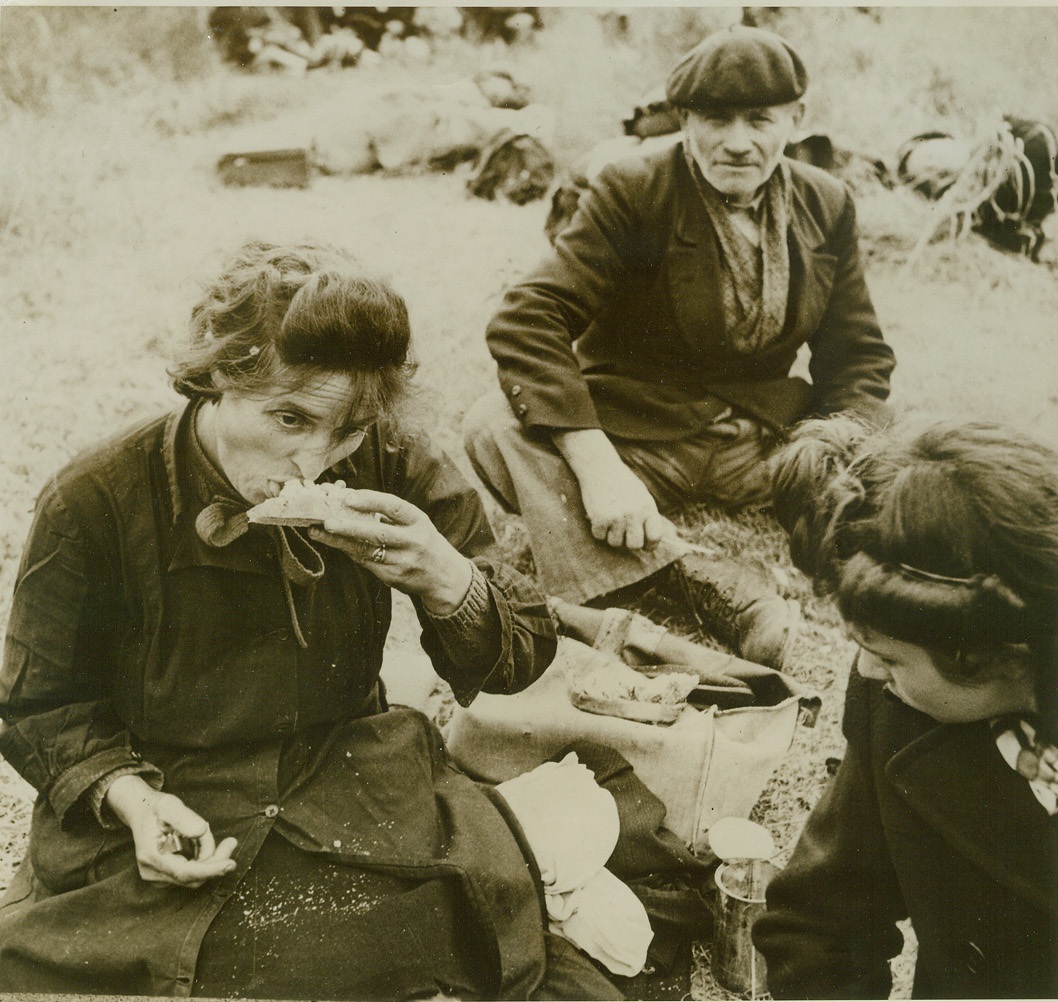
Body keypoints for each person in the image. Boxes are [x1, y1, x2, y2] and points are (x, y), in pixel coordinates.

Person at [0, 240, 628, 1000]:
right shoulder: (94, 497)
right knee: (168, 962)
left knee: (455, 930)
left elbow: (521, 653)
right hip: (171, 783)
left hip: (345, 775)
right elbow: (40, 702)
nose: (315, 460)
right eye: (288, 417)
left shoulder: (387, 459)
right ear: (217, 378)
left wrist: (447, 579)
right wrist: (130, 798)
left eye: (346, 432)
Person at [463, 24, 896, 670]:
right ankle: (697, 581)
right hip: (640, 436)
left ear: (796, 118)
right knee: (492, 426)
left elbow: (857, 356)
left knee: (895, 466)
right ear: (685, 118)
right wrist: (597, 466)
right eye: (716, 119)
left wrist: (847, 455)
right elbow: (528, 318)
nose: (739, 142)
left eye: (760, 119)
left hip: (759, 443)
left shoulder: (826, 202)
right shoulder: (633, 188)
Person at [753, 415, 1058, 998]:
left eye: (890, 659)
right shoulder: (897, 704)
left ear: (1002, 658)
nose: (867, 672)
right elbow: (821, 922)